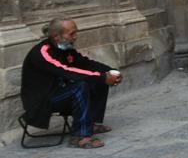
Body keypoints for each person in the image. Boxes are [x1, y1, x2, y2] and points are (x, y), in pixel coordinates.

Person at [20, 19, 123, 149]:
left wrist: (110, 71)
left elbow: (86, 63)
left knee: (96, 81)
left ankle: (91, 124)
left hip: (58, 91)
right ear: (57, 36)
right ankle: (80, 136)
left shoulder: (66, 49)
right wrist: (102, 77)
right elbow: (66, 71)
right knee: (81, 86)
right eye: (71, 34)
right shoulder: (42, 53)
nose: (75, 37)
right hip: (42, 100)